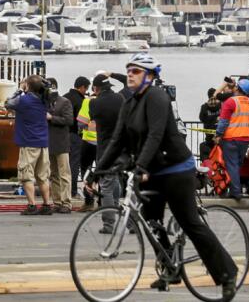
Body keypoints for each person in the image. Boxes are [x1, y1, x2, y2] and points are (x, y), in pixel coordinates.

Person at [94, 53, 238, 300]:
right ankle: (171, 268)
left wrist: (139, 165)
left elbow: (155, 135)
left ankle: (226, 274)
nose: (129, 74)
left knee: (190, 223)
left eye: (136, 71)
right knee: (152, 222)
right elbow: (117, 140)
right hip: (153, 171)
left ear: (150, 76)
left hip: (176, 170)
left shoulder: (157, 97)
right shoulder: (129, 103)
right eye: (128, 70)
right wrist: (97, 170)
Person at [7, 74, 53, 215]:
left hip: (28, 143)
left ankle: (32, 205)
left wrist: (20, 90)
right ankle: (46, 205)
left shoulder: (23, 101)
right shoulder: (44, 101)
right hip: (43, 143)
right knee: (42, 176)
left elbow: (8, 103)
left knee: (26, 176)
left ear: (28, 86)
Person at [87, 73, 125, 230]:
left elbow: (92, 119)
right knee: (116, 180)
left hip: (106, 149)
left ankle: (109, 224)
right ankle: (128, 220)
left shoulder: (94, 103)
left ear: (96, 88)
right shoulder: (121, 99)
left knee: (106, 186)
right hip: (123, 148)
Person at [215, 77, 249, 200]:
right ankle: (236, 189)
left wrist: (218, 135)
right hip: (245, 138)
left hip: (231, 138)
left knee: (231, 165)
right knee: (237, 165)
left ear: (237, 88)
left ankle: (236, 193)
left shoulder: (230, 102)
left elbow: (223, 121)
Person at [45, 77, 76, 213]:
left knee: (64, 174)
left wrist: (52, 118)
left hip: (62, 143)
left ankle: (67, 202)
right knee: (53, 174)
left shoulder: (65, 102)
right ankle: (57, 201)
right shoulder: (44, 102)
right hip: (48, 142)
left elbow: (69, 120)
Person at [75, 78, 100, 209]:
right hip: (104, 143)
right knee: (103, 171)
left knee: (86, 170)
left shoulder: (88, 101)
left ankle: (89, 201)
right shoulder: (113, 100)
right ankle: (104, 201)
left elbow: (81, 123)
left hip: (89, 141)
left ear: (94, 88)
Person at [65, 76, 91, 200]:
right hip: (76, 135)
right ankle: (73, 189)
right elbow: (81, 121)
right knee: (74, 163)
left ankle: (64, 189)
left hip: (64, 134)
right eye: (87, 89)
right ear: (82, 87)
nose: (87, 91)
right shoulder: (81, 101)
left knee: (64, 164)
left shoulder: (65, 96)